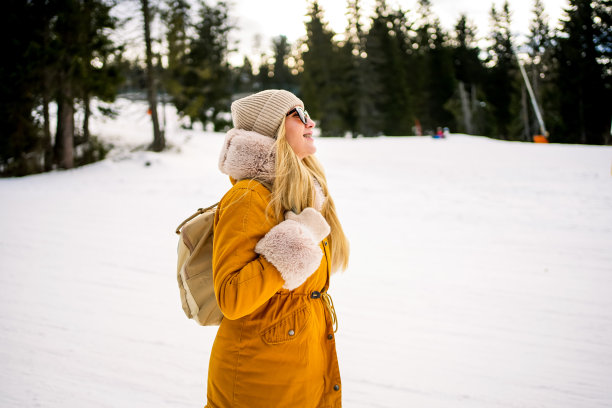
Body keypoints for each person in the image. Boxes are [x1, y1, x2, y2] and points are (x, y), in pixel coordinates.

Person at [206, 89, 350, 408]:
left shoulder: (301, 192)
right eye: (298, 115)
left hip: (301, 364)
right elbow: (232, 296)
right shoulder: (247, 198)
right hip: (259, 381)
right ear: (274, 128)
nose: (310, 122)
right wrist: (295, 242)